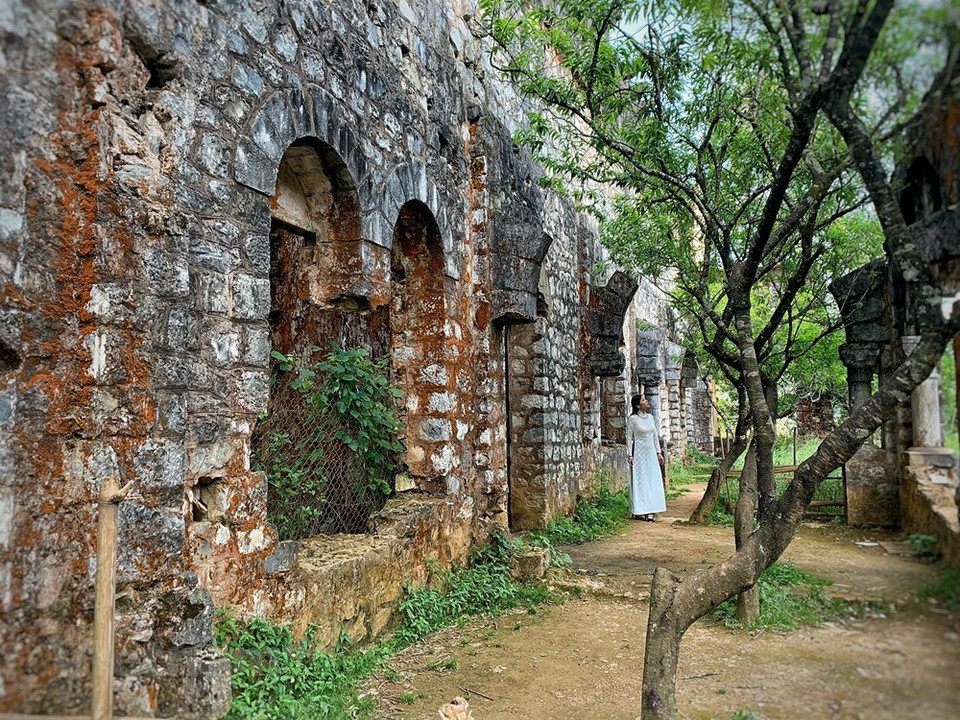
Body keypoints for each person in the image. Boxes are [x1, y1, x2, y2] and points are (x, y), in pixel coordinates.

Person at [626, 393, 666, 521]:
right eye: (643, 400)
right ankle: (640, 510)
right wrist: (630, 455)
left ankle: (651, 509)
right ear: (638, 405)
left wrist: (658, 452)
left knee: (652, 480)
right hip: (639, 453)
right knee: (640, 480)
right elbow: (629, 438)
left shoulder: (650, 417)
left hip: (651, 453)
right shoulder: (633, 419)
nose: (646, 401)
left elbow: (654, 435)